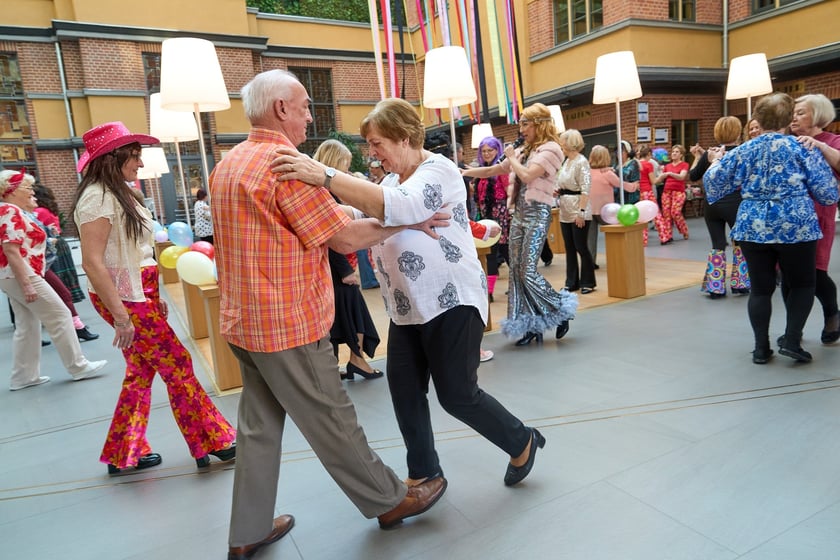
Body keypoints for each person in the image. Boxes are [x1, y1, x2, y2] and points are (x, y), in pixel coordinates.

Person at [210, 71, 447, 559]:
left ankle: (248, 530)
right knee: (333, 418)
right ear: (280, 109)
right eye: (304, 107)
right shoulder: (286, 165)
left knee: (257, 427)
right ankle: (389, 500)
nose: (309, 117)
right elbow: (343, 238)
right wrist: (406, 220)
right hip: (288, 322)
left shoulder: (228, 163)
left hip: (244, 321)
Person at [275, 95, 547, 491]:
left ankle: (521, 440)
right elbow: (361, 214)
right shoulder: (390, 181)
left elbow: (402, 206)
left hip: (451, 301)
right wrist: (311, 203)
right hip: (407, 308)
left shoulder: (439, 170)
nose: (373, 153)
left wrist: (324, 175)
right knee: (404, 391)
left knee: (457, 395)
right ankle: (424, 472)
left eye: (377, 143)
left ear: (404, 138)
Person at [73, 121, 237, 475]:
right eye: (134, 155)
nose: (141, 162)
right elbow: (92, 263)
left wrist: (153, 293)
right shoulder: (97, 198)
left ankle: (123, 452)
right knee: (177, 363)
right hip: (125, 299)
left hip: (137, 294)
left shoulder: (117, 193)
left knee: (140, 371)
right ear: (112, 158)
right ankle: (211, 440)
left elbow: (138, 254)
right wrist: (122, 316)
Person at [704, 92, 838, 364]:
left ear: (758, 118)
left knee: (760, 289)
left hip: (753, 226)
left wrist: (716, 160)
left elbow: (713, 184)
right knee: (802, 284)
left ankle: (761, 349)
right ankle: (792, 340)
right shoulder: (802, 148)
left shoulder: (744, 150)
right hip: (796, 225)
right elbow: (828, 194)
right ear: (788, 119)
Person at [463, 103, 578, 344]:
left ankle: (560, 309)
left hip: (537, 214)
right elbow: (495, 169)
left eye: (525, 124)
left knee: (527, 271)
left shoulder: (551, 149)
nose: (521, 129)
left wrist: (512, 157)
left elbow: (526, 175)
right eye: (521, 124)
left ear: (539, 124)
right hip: (518, 216)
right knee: (515, 272)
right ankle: (530, 325)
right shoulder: (524, 149)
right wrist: (466, 173)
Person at [1, 169, 108, 391]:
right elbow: (11, 250)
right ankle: (78, 366)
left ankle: (23, 376)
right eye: (27, 187)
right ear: (11, 190)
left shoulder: (9, 210)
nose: (32, 191)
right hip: (22, 273)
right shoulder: (10, 210)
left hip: (14, 274)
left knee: (27, 324)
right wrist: (27, 283)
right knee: (60, 315)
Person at [313, 139, 383, 381]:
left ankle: (346, 363)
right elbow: (329, 236)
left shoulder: (324, 190)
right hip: (335, 267)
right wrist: (345, 270)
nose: (347, 169)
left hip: (332, 266)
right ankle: (355, 360)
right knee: (350, 311)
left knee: (337, 318)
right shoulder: (326, 193)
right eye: (345, 164)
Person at [789, 93, 840, 344]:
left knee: (816, 271)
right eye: (793, 113)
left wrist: (819, 146)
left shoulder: (832, 140)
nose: (794, 117)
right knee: (787, 274)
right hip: (789, 217)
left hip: (818, 215)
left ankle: (832, 314)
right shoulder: (788, 141)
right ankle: (793, 331)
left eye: (801, 113)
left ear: (818, 115)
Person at [690, 116, 750, 300]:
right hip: (735, 204)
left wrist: (699, 158)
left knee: (717, 244)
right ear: (738, 132)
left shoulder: (711, 153)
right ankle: (740, 283)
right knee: (739, 243)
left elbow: (693, 176)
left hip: (712, 205)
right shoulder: (743, 152)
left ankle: (715, 286)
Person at [471, 135, 512, 302]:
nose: (487, 153)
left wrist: (510, 213)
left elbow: (510, 192)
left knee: (506, 252)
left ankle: (519, 285)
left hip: (501, 214)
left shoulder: (501, 169)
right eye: (484, 151)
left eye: (490, 150)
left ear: (497, 151)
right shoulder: (482, 170)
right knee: (490, 254)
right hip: (486, 214)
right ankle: (489, 292)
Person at [556, 129, 596, 294]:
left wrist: (581, 212)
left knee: (581, 246)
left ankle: (588, 281)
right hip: (565, 209)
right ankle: (571, 282)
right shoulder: (566, 161)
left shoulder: (582, 162)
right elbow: (563, 182)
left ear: (569, 143)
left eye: (562, 141)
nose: (561, 144)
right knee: (570, 248)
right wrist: (558, 190)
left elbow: (585, 189)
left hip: (578, 208)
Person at [32, 183, 86, 303]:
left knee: (56, 276)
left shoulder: (39, 211)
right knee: (64, 276)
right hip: (59, 242)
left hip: (51, 244)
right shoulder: (49, 209)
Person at [587, 145, 620, 261]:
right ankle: (616, 260)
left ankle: (590, 263)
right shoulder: (608, 173)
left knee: (590, 239)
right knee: (615, 234)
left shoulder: (586, 172)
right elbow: (620, 184)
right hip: (606, 210)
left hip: (590, 209)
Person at [655, 144, 690, 245]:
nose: (674, 153)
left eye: (677, 152)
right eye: (673, 151)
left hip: (679, 192)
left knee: (675, 212)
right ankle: (668, 235)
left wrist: (669, 174)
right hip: (667, 191)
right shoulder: (667, 166)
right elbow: (660, 179)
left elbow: (682, 177)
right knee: (666, 214)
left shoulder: (684, 165)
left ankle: (684, 230)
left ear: (681, 154)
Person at [636, 144, 660, 246]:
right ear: (649, 154)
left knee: (641, 216)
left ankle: (643, 240)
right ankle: (665, 236)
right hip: (647, 191)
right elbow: (653, 181)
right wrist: (662, 177)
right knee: (656, 214)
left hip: (638, 192)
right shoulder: (648, 164)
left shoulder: (636, 164)